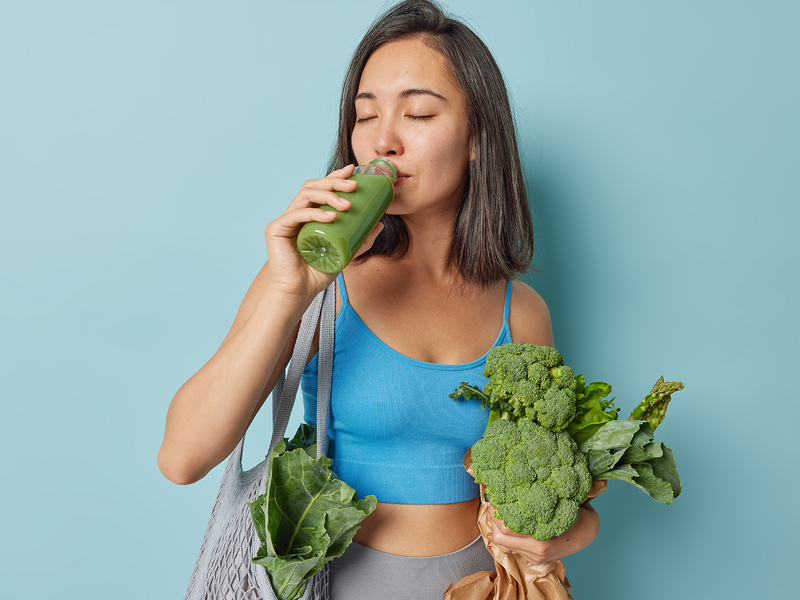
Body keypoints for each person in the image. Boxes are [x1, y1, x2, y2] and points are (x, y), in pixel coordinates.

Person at [158, 1, 600, 598]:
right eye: (364, 117)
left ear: (477, 138)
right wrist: (291, 291)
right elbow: (181, 458)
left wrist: (560, 539)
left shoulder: (520, 313)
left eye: (417, 112)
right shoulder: (311, 285)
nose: (382, 141)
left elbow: (561, 496)